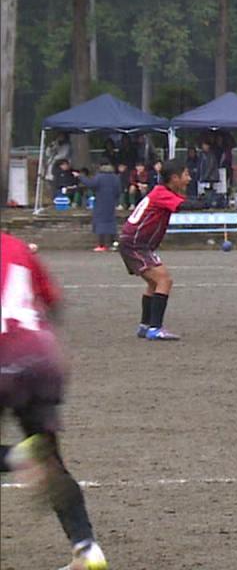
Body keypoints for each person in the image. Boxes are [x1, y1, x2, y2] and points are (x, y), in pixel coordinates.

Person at [0, 233, 110, 570]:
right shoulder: (15, 245)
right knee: (50, 459)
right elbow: (52, 300)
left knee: (29, 456)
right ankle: (87, 548)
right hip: (41, 356)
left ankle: (18, 456)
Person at [118, 158, 204, 341]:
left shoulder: (164, 192)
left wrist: (202, 201)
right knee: (164, 279)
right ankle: (155, 328)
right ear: (174, 178)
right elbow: (184, 205)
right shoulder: (161, 193)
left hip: (136, 242)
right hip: (136, 243)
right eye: (186, 175)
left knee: (154, 283)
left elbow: (185, 202)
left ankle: (145, 325)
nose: (189, 179)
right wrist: (208, 202)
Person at [81, 165, 122, 252]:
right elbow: (118, 191)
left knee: (100, 223)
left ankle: (101, 245)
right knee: (111, 223)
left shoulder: (99, 177)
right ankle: (113, 244)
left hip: (101, 202)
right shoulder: (115, 178)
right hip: (111, 203)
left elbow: (91, 184)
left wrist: (82, 177)